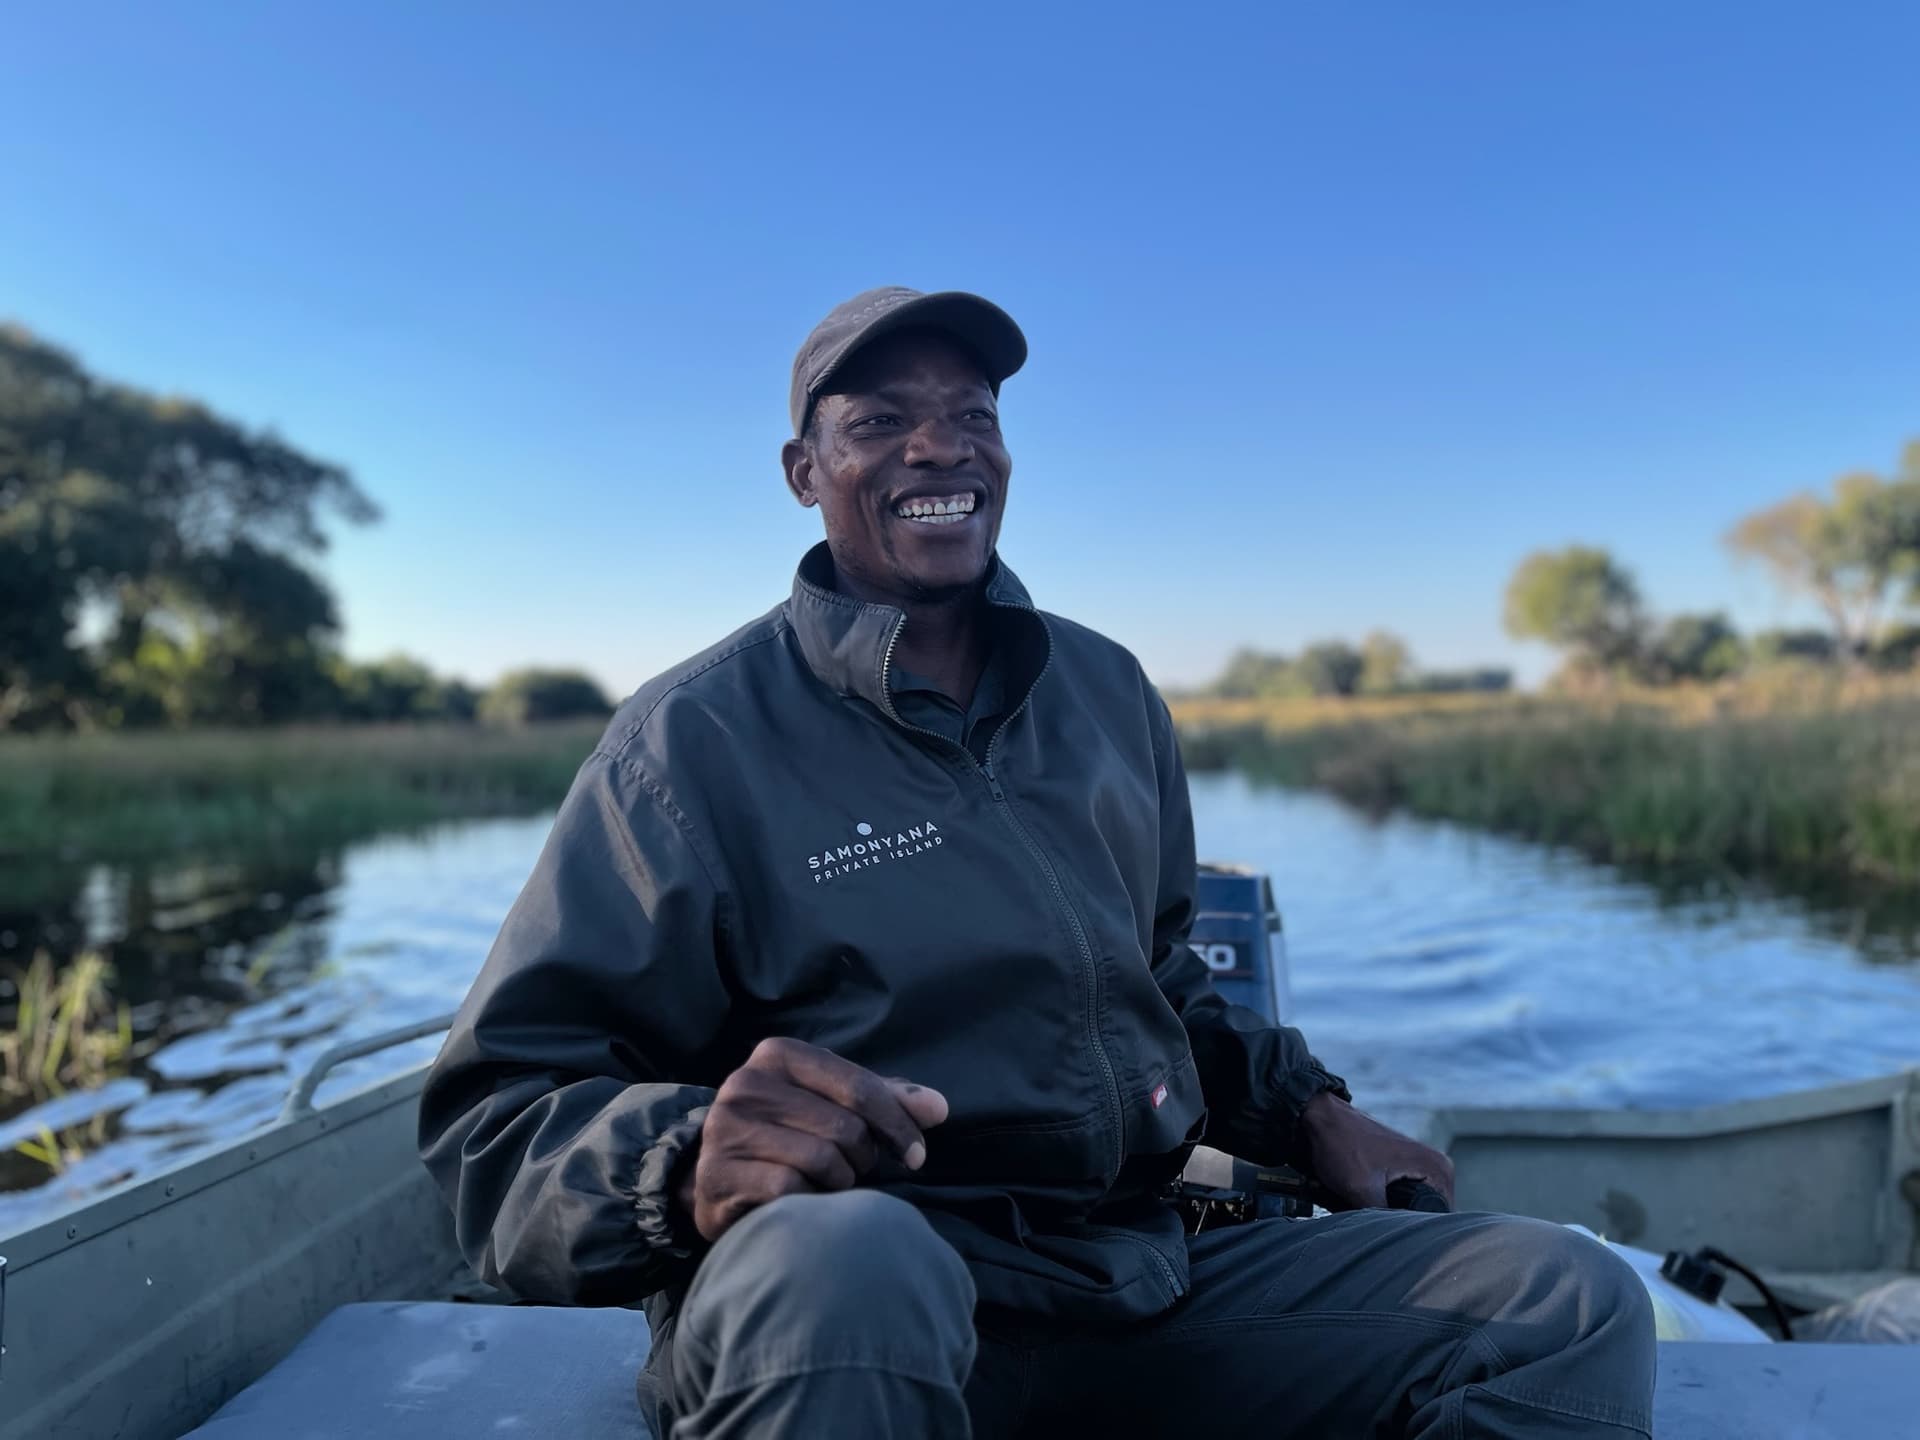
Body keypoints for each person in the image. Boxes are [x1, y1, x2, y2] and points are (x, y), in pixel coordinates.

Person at [419, 286, 1656, 1438]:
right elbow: (495, 1122)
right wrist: (686, 1159)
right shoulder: (684, 747)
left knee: (1564, 1299)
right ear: (805, 472)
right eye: (883, 421)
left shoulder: (1109, 692)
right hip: (851, 1295)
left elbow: (1162, 984)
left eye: (972, 416)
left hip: (1134, 1269)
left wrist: (1312, 1111)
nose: (940, 447)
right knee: (853, 1266)